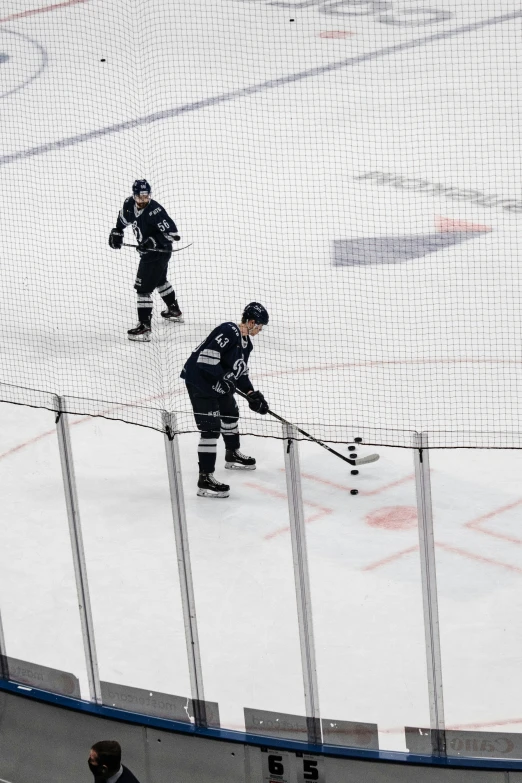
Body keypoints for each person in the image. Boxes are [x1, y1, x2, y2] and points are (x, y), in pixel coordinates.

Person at [181, 302, 270, 498]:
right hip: (199, 381)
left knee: (230, 413)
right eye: (260, 326)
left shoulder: (247, 345)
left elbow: (239, 374)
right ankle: (205, 479)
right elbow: (205, 360)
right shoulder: (228, 330)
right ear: (252, 321)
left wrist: (251, 394)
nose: (260, 330)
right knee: (210, 430)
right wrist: (223, 381)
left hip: (216, 382)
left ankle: (232, 454)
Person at [109, 179, 183, 342]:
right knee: (160, 280)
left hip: (157, 252)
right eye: (140, 196)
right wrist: (117, 232)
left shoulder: (155, 210)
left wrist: (152, 242)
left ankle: (144, 327)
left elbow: (173, 234)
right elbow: (122, 220)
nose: (143, 200)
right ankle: (174, 310)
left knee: (142, 289)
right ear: (134, 195)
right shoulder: (129, 204)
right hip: (151, 253)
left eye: (146, 196)